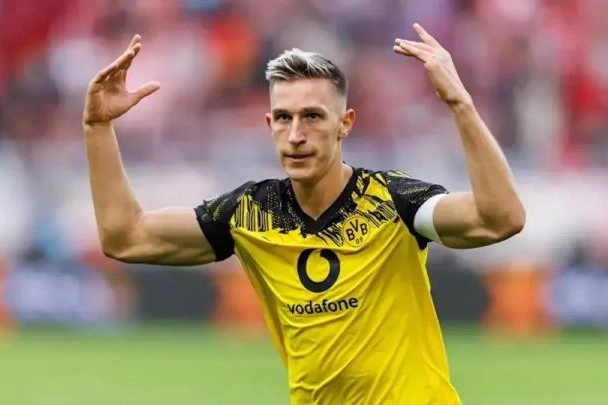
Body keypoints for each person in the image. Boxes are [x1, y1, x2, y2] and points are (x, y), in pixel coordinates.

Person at [83, 23, 525, 405]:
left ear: (345, 123)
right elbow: (126, 237)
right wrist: (98, 127)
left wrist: (460, 104)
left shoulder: (393, 200)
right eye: (284, 118)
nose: (296, 134)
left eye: (313, 116)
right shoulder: (251, 213)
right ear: (269, 126)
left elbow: (500, 218)